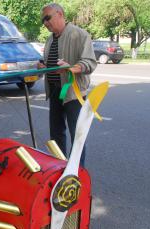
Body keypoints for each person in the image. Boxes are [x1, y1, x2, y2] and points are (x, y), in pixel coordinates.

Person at [38, 3, 97, 167]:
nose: (45, 23)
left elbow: (90, 63)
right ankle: (59, 169)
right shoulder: (50, 39)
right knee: (56, 135)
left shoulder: (79, 34)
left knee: (77, 136)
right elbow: (52, 65)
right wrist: (43, 66)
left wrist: (70, 68)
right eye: (43, 20)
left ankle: (76, 172)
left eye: (47, 18)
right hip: (56, 92)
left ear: (60, 14)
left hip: (73, 94)